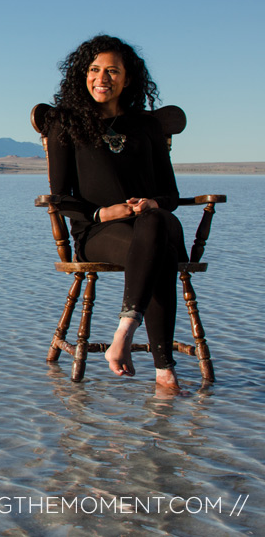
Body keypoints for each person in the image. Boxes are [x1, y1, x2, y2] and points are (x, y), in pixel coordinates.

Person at [43, 35, 186, 392]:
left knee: (155, 224)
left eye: (112, 71)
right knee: (161, 252)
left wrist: (152, 203)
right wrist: (104, 213)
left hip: (151, 224)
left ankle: (125, 331)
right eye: (94, 70)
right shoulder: (67, 123)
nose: (101, 78)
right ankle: (164, 370)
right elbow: (60, 197)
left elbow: (170, 194)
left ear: (128, 78)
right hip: (98, 233)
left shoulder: (147, 127)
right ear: (83, 75)